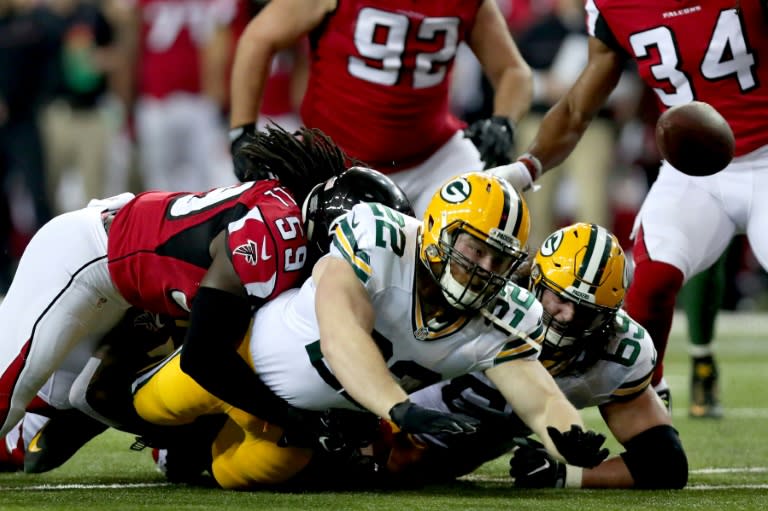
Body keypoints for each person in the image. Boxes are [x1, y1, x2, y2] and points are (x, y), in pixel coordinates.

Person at [130, 172, 609, 490]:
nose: (485, 268)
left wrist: (564, 431)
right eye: (475, 249)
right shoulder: (381, 238)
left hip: (307, 422)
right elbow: (342, 334)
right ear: (438, 234)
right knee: (146, 408)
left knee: (236, 475)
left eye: (499, 259)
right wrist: (395, 406)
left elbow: (535, 391)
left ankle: (188, 459)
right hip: (243, 359)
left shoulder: (505, 311)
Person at [488, 0, 768, 413]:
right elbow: (578, 107)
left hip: (765, 155)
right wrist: (527, 168)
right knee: (650, 281)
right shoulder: (612, 7)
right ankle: (650, 403)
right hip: (691, 173)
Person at [0, 125, 354, 443]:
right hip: (86, 256)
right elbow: (204, 358)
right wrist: (294, 419)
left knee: (63, 401)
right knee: (9, 395)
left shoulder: (287, 211)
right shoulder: (275, 237)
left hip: (130, 289)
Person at [382, 223, 687, 489]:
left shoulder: (613, 351)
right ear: (535, 280)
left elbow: (665, 462)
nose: (567, 316)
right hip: (382, 417)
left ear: (608, 318)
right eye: (561, 298)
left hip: (441, 460)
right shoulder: (484, 296)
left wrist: (567, 474)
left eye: (586, 313)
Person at [228, 0, 534, 216]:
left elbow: (514, 72)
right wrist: (241, 133)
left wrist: (504, 121)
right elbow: (258, 39)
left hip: (432, 159)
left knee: (488, 218)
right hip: (334, 163)